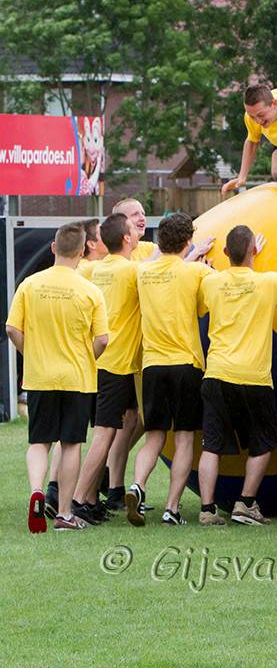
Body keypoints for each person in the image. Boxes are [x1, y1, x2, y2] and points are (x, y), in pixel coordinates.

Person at [5, 223, 109, 532]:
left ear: (53, 248)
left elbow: (11, 328)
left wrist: (31, 353)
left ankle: (37, 491)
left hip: (40, 376)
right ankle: (64, 513)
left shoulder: (29, 285)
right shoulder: (90, 291)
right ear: (82, 251)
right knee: (71, 444)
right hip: (77, 377)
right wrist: (87, 358)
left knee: (39, 441)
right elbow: (103, 340)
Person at [197, 226, 277, 526]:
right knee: (263, 442)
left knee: (211, 444)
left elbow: (201, 302)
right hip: (254, 377)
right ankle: (246, 503)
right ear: (254, 250)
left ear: (226, 252)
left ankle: (207, 509)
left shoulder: (210, 283)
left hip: (216, 373)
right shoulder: (270, 282)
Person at [126, 213, 213, 527]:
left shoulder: (142, 272)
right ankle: (171, 509)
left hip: (153, 365)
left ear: (159, 241)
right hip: (186, 364)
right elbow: (203, 306)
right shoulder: (196, 271)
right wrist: (200, 260)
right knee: (185, 439)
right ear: (188, 241)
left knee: (154, 438)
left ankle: (138, 485)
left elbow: (163, 267)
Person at [69, 214, 141, 525]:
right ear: (126, 238)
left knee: (111, 433)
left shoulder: (97, 269)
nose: (137, 233)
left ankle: (90, 500)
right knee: (104, 434)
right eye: (133, 230)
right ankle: (76, 502)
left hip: (100, 362)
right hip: (116, 364)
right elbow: (160, 273)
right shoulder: (132, 271)